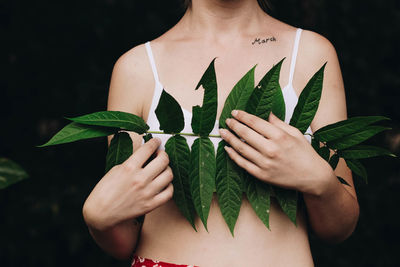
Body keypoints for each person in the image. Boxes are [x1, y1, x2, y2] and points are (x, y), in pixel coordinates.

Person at [82, 0, 360, 266]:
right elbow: (123, 236)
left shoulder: (310, 53)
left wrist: (320, 180)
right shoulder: (137, 68)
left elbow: (338, 228)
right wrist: (99, 219)